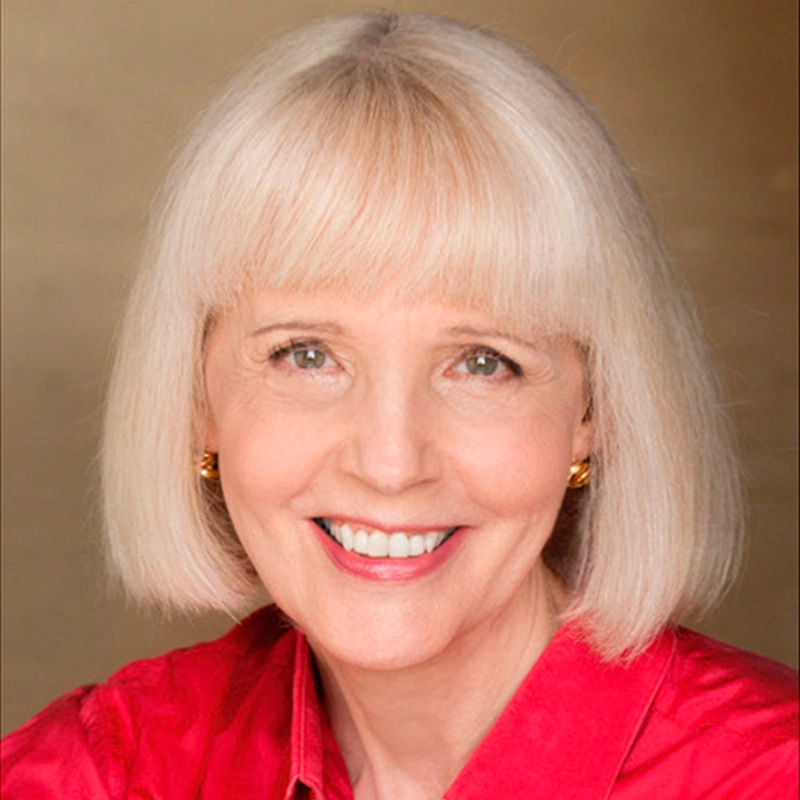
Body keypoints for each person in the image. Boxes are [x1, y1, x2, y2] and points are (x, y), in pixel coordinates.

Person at [2, 13, 797, 799]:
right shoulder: (102, 774)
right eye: (306, 355)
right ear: (198, 399)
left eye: (482, 363)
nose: (389, 462)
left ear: (591, 409)